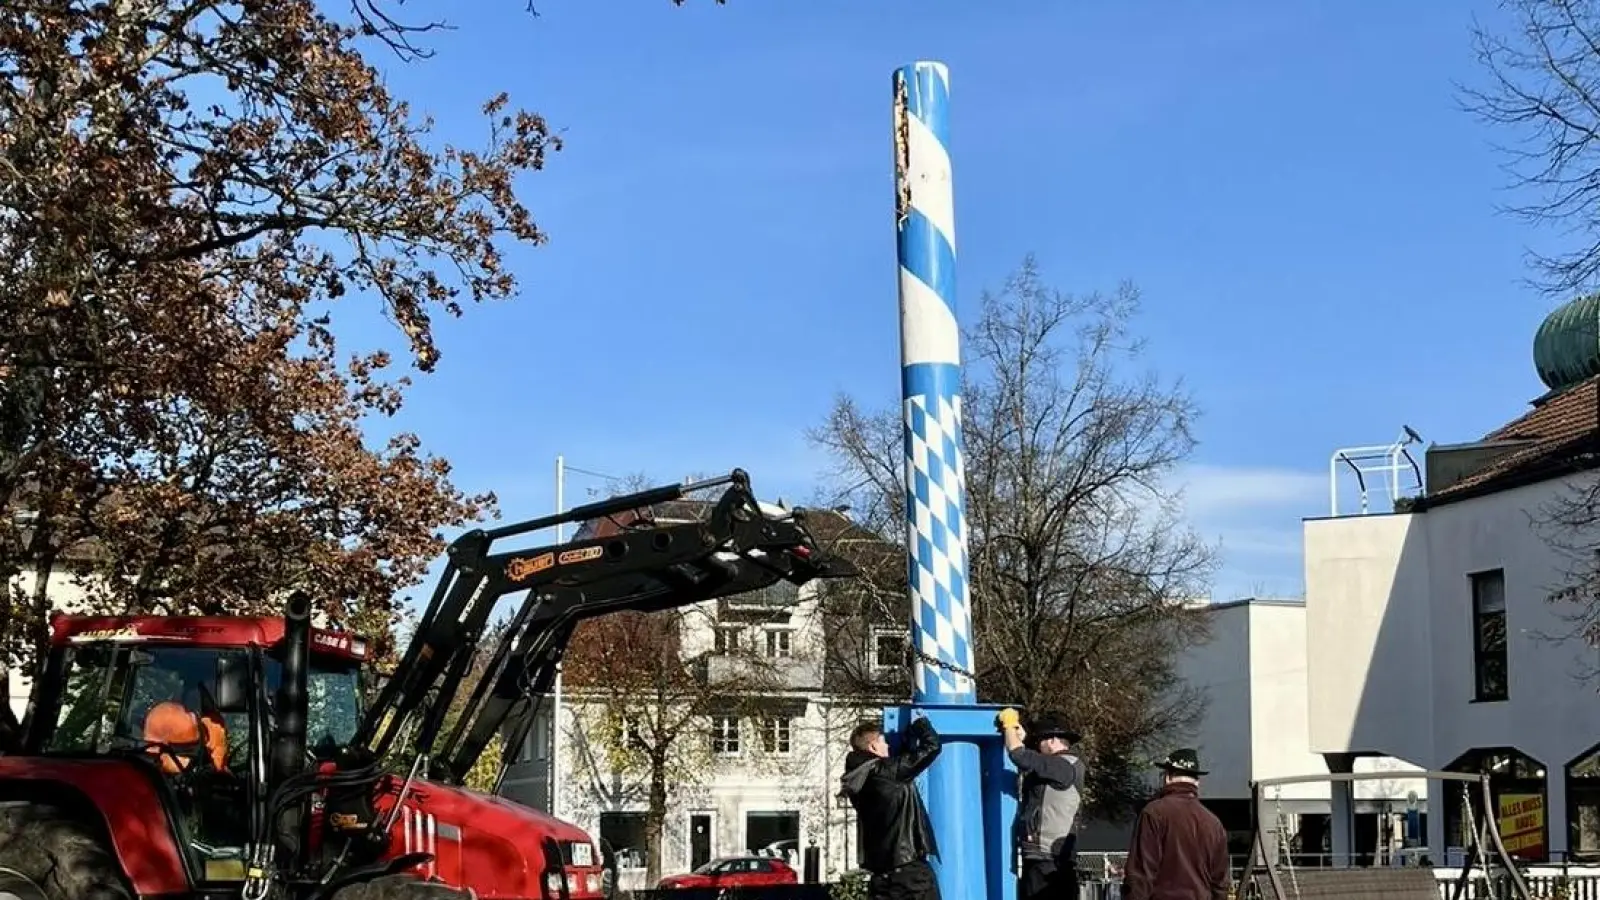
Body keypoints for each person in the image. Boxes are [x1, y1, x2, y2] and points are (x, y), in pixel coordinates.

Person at [839, 715, 943, 900]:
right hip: (909, 871)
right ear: (872, 747)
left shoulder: (857, 783)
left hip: (881, 876)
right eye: (883, 742)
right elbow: (932, 747)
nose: (887, 746)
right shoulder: (887, 771)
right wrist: (922, 725)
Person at [1122, 749, 1231, 900]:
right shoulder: (1214, 823)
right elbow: (1220, 883)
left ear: (1167, 777)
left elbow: (1141, 875)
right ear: (1197, 782)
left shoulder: (1153, 813)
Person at [1002, 711, 1087, 900]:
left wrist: (1008, 724)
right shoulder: (1068, 766)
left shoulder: (1061, 765)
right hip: (1053, 858)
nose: (1038, 746)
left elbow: (1019, 755)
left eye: (1040, 741)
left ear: (1052, 740)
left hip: (1047, 858)